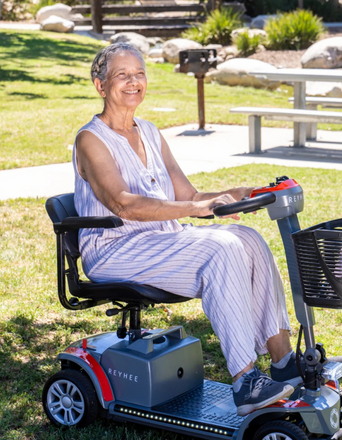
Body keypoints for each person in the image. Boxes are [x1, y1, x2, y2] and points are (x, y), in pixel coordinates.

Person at [74, 43, 303, 416]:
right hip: (116, 249)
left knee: (247, 238)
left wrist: (236, 194)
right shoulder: (91, 139)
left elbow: (188, 194)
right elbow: (122, 203)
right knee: (221, 249)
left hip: (162, 239)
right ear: (101, 86)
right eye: (122, 75)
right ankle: (246, 380)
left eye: (139, 73)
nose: (133, 82)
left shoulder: (149, 131)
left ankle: (282, 362)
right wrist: (196, 208)